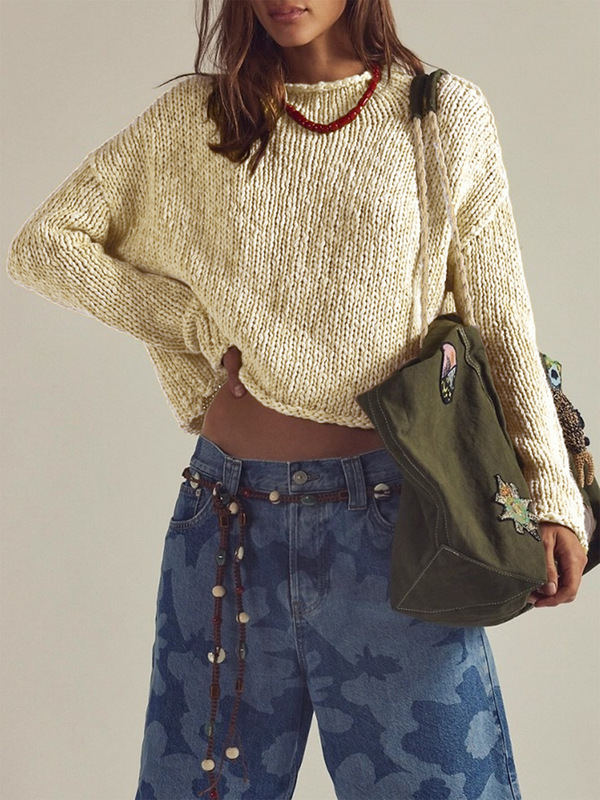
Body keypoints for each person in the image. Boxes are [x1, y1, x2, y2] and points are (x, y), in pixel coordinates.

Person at [5, 1, 590, 798]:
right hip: (226, 526)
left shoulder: (440, 114)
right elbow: (46, 245)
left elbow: (502, 320)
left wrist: (551, 492)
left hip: (397, 532)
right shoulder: (198, 118)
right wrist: (187, 321)